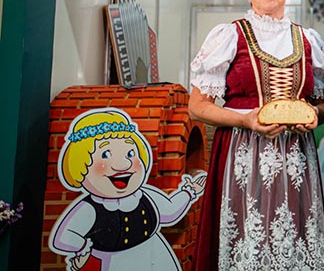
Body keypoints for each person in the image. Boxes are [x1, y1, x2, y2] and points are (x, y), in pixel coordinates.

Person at [188, 0, 324, 271]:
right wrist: (245, 119)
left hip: (296, 158)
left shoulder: (308, 40)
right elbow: (197, 107)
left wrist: (313, 115)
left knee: (292, 237)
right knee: (247, 235)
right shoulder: (229, 35)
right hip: (242, 154)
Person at [49, 108, 206, 271]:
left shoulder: (145, 196)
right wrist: (83, 248)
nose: (124, 164)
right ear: (80, 166)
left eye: (131, 153)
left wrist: (189, 192)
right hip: (112, 263)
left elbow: (169, 212)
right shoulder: (89, 208)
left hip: (154, 257)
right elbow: (63, 238)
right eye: (105, 155)